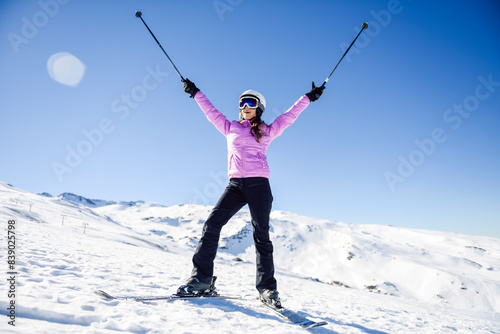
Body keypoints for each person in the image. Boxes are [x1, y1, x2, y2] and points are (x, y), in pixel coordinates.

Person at [178, 78, 324, 308]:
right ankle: (201, 279)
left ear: (259, 108)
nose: (245, 106)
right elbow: (210, 111)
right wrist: (195, 92)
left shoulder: (266, 130)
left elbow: (289, 116)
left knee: (261, 236)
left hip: (259, 186)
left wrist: (307, 97)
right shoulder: (230, 128)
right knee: (212, 224)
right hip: (235, 185)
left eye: (250, 103)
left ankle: (267, 289)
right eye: (242, 103)